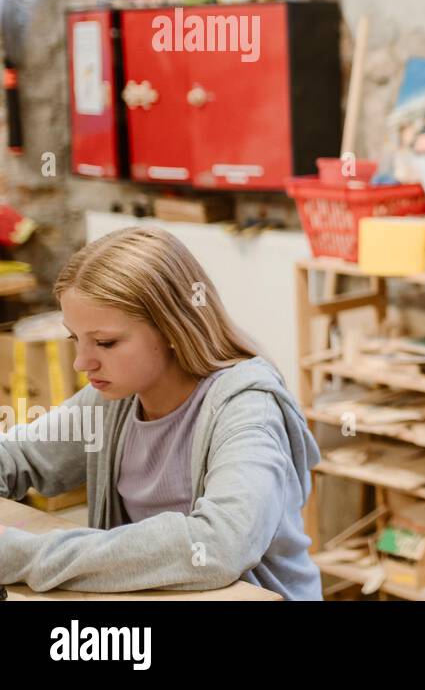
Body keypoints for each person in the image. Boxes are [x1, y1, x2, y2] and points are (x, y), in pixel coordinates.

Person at [0, 226, 322, 600]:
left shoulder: (247, 408)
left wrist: (26, 557)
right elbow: (17, 455)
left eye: (105, 342)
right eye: (76, 339)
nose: (81, 363)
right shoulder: (112, 398)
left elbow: (219, 545)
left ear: (172, 328)